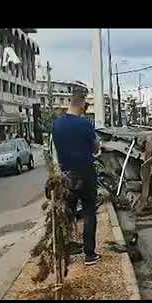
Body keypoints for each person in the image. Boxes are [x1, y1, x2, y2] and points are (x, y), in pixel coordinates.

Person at [52, 87, 101, 266]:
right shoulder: (85, 124)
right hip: (86, 174)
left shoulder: (56, 124)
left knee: (67, 213)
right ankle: (89, 255)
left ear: (69, 103)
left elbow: (55, 150)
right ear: (82, 104)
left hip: (66, 176)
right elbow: (96, 148)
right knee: (89, 212)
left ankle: (65, 250)